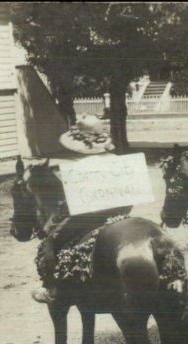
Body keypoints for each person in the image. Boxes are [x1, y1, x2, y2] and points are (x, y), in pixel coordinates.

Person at [31, 115, 131, 304]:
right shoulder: (118, 160)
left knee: (50, 242)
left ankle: (51, 287)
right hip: (119, 216)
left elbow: (71, 204)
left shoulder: (77, 168)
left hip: (87, 219)